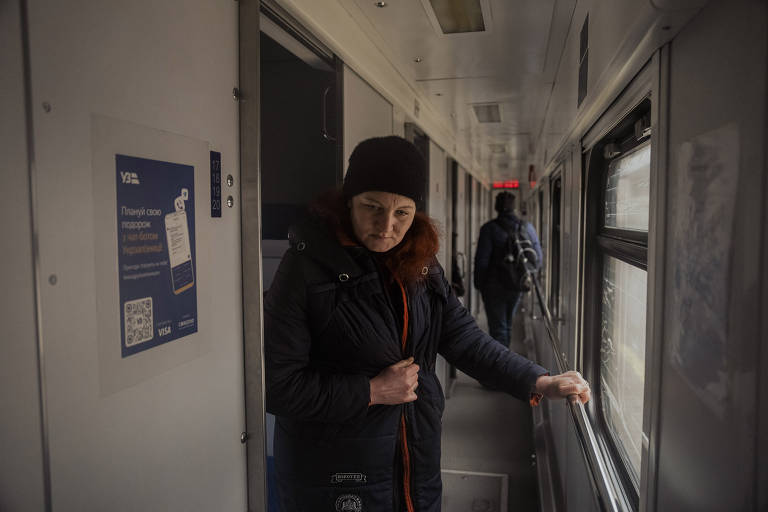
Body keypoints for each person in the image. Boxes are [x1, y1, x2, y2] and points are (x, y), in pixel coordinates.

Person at [264, 136, 589, 512]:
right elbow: (277, 385)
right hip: (335, 477)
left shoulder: (421, 263)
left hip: (415, 458)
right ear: (348, 201)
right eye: (372, 207)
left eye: (402, 212)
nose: (387, 225)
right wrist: (371, 391)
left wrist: (538, 380)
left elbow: (463, 338)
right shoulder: (305, 270)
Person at [474, 191, 543, 348]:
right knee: (507, 326)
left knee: (499, 329)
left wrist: (479, 284)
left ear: (496, 207)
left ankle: (501, 368)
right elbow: (537, 258)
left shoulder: (488, 229)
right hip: (516, 285)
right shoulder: (527, 227)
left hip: (493, 287)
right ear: (514, 207)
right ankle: (506, 362)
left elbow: (482, 260)